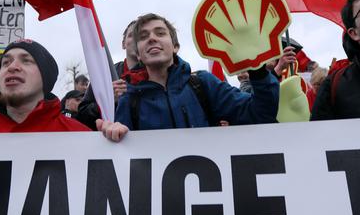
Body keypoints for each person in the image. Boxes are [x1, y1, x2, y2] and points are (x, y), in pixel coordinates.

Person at [97, 13, 280, 141]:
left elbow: (260, 114)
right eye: (144, 36)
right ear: (138, 54)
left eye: (160, 33)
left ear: (175, 46)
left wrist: (258, 70)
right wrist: (113, 135)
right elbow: (123, 159)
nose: (152, 38)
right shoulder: (129, 99)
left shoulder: (203, 84)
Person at [77, 20, 145, 129]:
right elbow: (82, 114)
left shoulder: (159, 72)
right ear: (123, 44)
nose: (136, 40)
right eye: (132, 35)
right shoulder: (104, 74)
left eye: (141, 35)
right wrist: (107, 100)